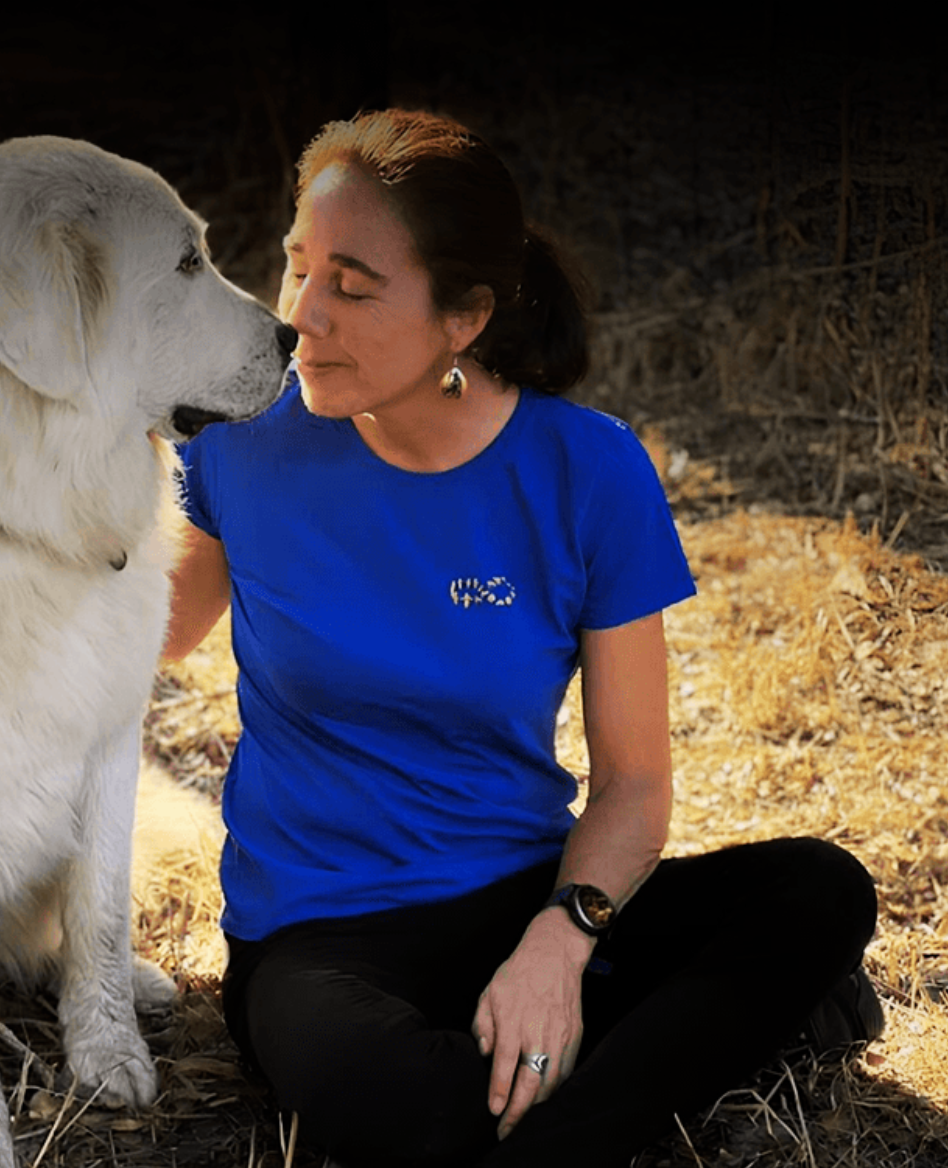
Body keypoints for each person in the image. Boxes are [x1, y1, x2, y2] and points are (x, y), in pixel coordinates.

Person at [163, 109, 880, 1168]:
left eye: (353, 286)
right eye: (296, 269)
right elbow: (137, 636)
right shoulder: (241, 439)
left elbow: (634, 787)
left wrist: (559, 941)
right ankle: (636, 1081)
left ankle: (542, 1094)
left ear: (465, 317)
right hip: (318, 941)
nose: (303, 315)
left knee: (820, 890)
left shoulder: (587, 469)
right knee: (399, 1104)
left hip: (526, 898)